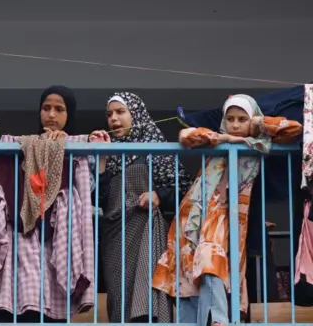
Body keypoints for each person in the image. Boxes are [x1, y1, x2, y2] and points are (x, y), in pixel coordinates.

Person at [152, 94, 302, 326]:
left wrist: (257, 124)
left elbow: (293, 128)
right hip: (194, 213)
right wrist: (223, 138)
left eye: (242, 119)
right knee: (188, 275)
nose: (235, 124)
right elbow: (186, 135)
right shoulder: (216, 140)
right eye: (230, 118)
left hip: (227, 215)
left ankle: (218, 321)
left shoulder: (257, 142)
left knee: (211, 261)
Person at [89, 91, 193, 323]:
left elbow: (186, 190)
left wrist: (160, 195)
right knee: (120, 301)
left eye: (120, 112)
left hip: (145, 232)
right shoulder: (107, 152)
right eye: (109, 114)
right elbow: (98, 200)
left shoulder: (154, 148)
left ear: (136, 115)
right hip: (115, 240)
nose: (113, 118)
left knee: (147, 302)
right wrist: (103, 160)